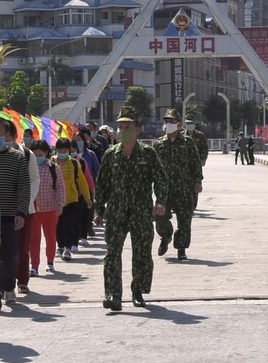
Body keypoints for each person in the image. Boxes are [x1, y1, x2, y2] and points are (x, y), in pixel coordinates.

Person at [94, 107, 167, 311]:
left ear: (137, 130)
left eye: (128, 126)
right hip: (116, 212)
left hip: (141, 211)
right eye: (120, 126)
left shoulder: (148, 153)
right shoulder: (111, 155)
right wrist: (99, 210)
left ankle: (138, 290)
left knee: (142, 252)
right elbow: (102, 185)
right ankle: (113, 294)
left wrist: (160, 201)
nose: (123, 129)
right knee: (112, 253)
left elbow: (161, 178)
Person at [0, 118, 30, 313]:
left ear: (7, 134)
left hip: (10, 216)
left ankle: (9, 286)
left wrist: (21, 211)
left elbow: (24, 187)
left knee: (10, 256)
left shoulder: (17, 157)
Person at [154, 110, 203, 261]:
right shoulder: (159, 144)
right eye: (166, 121)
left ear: (178, 124)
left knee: (185, 219)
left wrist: (198, 181)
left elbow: (195, 163)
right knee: (160, 217)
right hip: (164, 189)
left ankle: (181, 248)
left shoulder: (188, 143)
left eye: (171, 121)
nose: (168, 124)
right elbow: (154, 167)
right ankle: (166, 235)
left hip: (184, 188)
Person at [8, 123, 39, 296]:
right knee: (4, 248)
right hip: (2, 209)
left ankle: (22, 280)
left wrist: (27, 201)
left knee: (22, 246)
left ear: (13, 136)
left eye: (5, 136)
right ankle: (5, 282)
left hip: (25, 209)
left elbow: (34, 180)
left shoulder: (27, 154)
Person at [28, 139, 65, 279]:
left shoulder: (53, 168)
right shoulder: (28, 167)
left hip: (50, 209)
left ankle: (50, 262)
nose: (38, 157)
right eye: (35, 154)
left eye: (40, 154)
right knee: (34, 239)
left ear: (47, 153)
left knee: (50, 237)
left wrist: (60, 204)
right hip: (33, 209)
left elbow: (60, 188)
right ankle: (34, 266)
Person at [51, 138, 91, 266]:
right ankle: (60, 245)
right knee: (58, 225)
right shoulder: (51, 162)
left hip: (71, 199)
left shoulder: (74, 163)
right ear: (57, 149)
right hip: (56, 200)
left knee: (69, 224)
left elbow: (82, 182)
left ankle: (68, 249)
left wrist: (87, 198)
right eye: (60, 149)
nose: (63, 151)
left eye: (65, 149)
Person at [185, 114, 208, 209]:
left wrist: (202, 159)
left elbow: (204, 149)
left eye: (191, 123)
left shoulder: (200, 136)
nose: (189, 125)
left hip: (196, 165)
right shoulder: (181, 135)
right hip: (183, 164)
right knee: (183, 185)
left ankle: (193, 205)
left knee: (196, 184)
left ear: (194, 124)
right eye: (188, 123)